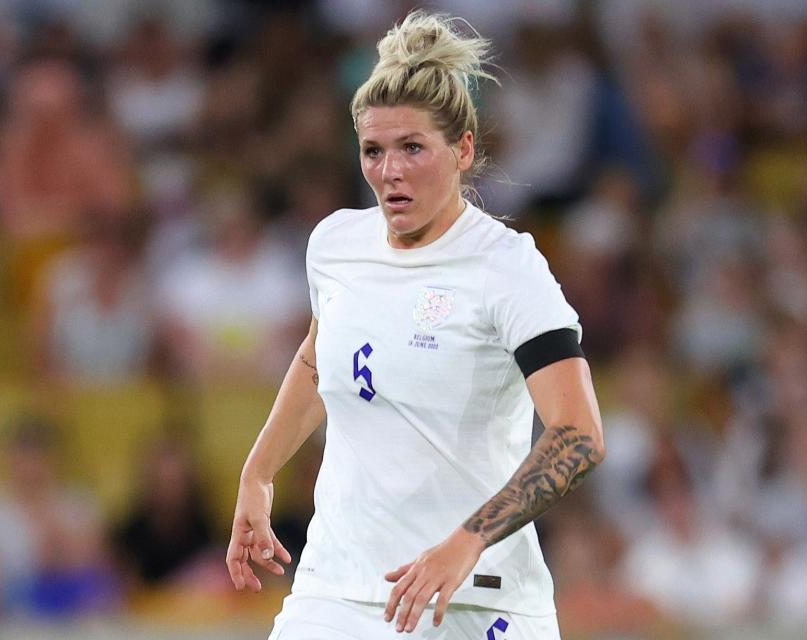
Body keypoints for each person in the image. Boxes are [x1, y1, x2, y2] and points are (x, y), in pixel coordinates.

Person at [225, 11, 605, 639]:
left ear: (463, 150)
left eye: (412, 148)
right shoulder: (336, 245)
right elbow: (320, 360)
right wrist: (257, 472)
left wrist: (465, 542)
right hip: (338, 588)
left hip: (471, 599)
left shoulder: (506, 267)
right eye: (373, 151)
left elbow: (579, 435)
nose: (389, 171)